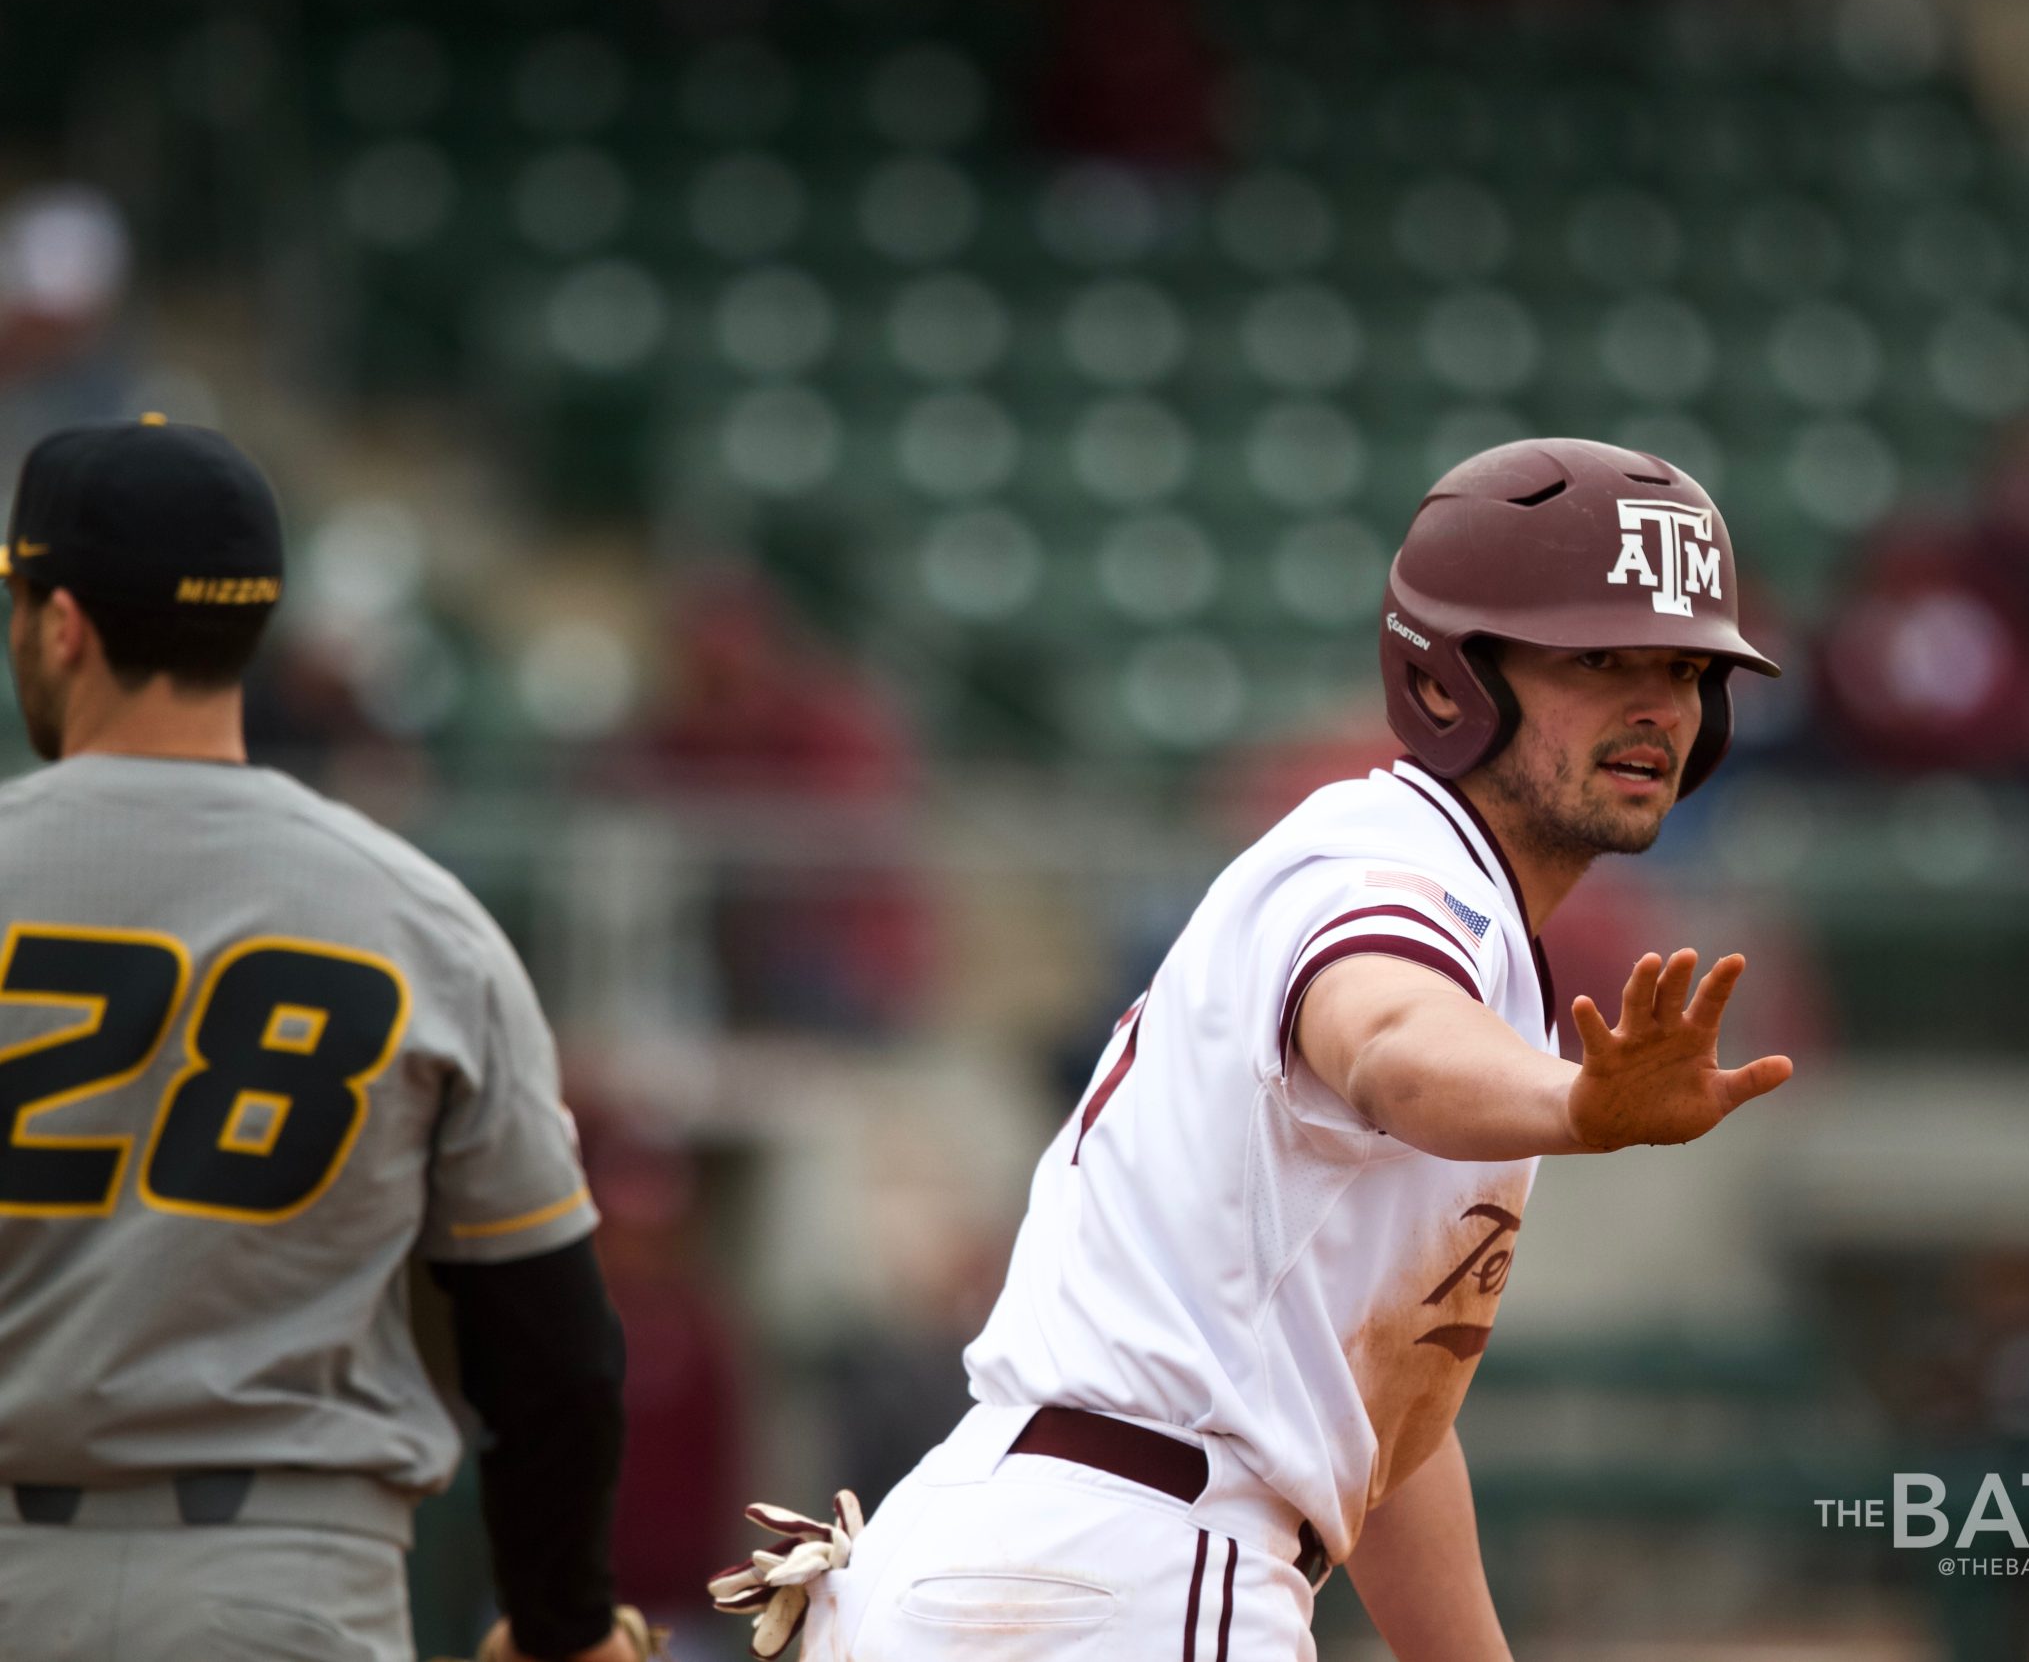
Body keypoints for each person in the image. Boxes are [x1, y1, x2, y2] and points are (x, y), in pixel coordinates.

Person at [720, 437, 1793, 1660]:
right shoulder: (1390, 863)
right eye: (1599, 658)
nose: (1658, 702)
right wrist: (1567, 1103)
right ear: (1452, 680)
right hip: (1123, 1573)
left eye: (1686, 666)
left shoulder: (1449, 903)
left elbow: (1386, 1427)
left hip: (1039, 1559)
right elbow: (1388, 1038)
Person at [0, 418, 643, 1662]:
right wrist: (562, 1621)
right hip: (286, 1588)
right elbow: (552, 1352)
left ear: (64, 623)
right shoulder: (423, 921)